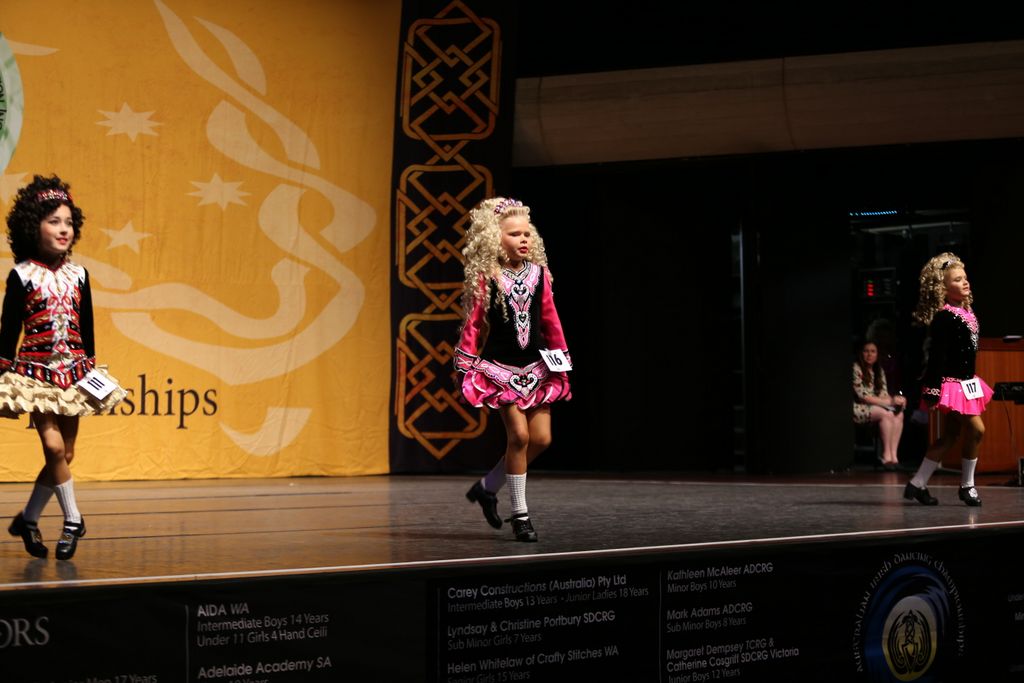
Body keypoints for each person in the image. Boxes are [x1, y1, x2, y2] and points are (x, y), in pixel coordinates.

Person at [1, 175, 126, 560]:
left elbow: (86, 328)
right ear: (32, 226)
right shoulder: (22, 274)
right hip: (36, 375)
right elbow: (9, 329)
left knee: (65, 456)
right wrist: (3, 369)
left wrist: (91, 369)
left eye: (68, 222)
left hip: (74, 374)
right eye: (53, 221)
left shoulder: (79, 275)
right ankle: (73, 520)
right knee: (53, 447)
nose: (63, 229)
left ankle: (29, 519)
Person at [454, 197, 571, 542]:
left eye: (527, 234)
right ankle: (520, 515)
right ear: (496, 238)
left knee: (542, 439)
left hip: (537, 368)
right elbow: (474, 325)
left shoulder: (539, 275)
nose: (523, 240)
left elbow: (550, 319)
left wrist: (561, 359)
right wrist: (465, 363)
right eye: (515, 234)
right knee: (518, 436)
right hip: (501, 369)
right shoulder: (486, 277)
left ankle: (487, 487)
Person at [904, 252, 993, 506]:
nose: (965, 282)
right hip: (951, 385)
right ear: (943, 288)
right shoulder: (944, 317)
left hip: (967, 382)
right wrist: (932, 389)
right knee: (977, 429)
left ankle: (917, 484)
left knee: (951, 436)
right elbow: (937, 355)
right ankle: (967, 486)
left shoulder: (966, 312)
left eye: (965, 278)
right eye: (957, 279)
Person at [853, 340, 906, 469]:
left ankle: (894, 457)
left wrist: (897, 399)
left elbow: (883, 394)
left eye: (873, 351)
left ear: (877, 354)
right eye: (866, 351)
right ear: (861, 353)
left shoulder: (879, 371)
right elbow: (863, 397)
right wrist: (889, 402)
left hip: (876, 406)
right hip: (858, 407)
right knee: (886, 414)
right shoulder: (856, 368)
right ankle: (886, 456)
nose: (869, 354)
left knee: (899, 415)